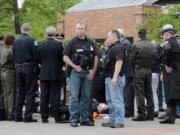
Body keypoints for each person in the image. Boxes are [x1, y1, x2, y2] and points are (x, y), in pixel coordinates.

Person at [63, 22, 98, 127]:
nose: (79, 30)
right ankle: (73, 119)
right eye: (78, 28)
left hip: (88, 73)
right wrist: (74, 66)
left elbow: (96, 57)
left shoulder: (91, 42)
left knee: (86, 97)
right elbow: (65, 57)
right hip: (76, 73)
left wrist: (93, 70)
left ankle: (84, 119)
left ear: (85, 30)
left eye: (81, 28)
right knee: (74, 97)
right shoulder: (72, 42)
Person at [38, 26, 64, 123]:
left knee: (44, 95)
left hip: (44, 73)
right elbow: (62, 60)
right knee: (55, 95)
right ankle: (57, 116)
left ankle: (44, 117)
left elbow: (38, 59)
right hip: (56, 72)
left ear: (46, 33)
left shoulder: (41, 45)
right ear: (55, 33)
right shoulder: (59, 45)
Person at [14, 23, 38, 122]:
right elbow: (36, 55)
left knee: (20, 92)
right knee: (30, 91)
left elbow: (14, 53)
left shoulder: (16, 41)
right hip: (28, 67)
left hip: (18, 68)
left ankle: (17, 116)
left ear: (21, 29)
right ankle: (28, 116)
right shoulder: (32, 40)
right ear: (29, 29)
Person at [130, 29, 156, 121]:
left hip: (139, 70)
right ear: (146, 34)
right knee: (149, 91)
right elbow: (155, 57)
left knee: (139, 92)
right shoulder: (152, 45)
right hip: (148, 70)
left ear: (139, 35)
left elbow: (131, 59)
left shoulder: (136, 45)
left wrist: (133, 69)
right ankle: (151, 113)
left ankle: (142, 114)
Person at [101, 30, 125, 128]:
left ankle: (119, 121)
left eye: (108, 36)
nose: (107, 38)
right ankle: (112, 120)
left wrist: (115, 77)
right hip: (109, 77)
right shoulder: (112, 48)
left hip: (114, 77)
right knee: (110, 100)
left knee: (116, 100)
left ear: (114, 37)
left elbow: (119, 62)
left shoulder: (118, 47)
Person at [159, 24, 180, 124]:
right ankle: (170, 117)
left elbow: (164, 54)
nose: (162, 37)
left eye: (163, 34)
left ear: (167, 34)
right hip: (175, 72)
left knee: (175, 95)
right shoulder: (175, 42)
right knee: (170, 96)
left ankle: (170, 117)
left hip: (173, 73)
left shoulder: (169, 43)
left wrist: (166, 65)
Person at [117, 29, 134, 118]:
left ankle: (127, 111)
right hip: (129, 70)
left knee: (127, 91)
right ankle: (129, 111)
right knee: (128, 91)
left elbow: (125, 58)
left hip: (127, 71)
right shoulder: (126, 42)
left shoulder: (125, 43)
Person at [0, 35, 15, 121]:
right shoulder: (10, 51)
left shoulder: (3, 49)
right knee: (10, 94)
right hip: (9, 72)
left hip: (3, 71)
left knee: (5, 94)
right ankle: (10, 114)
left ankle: (5, 113)